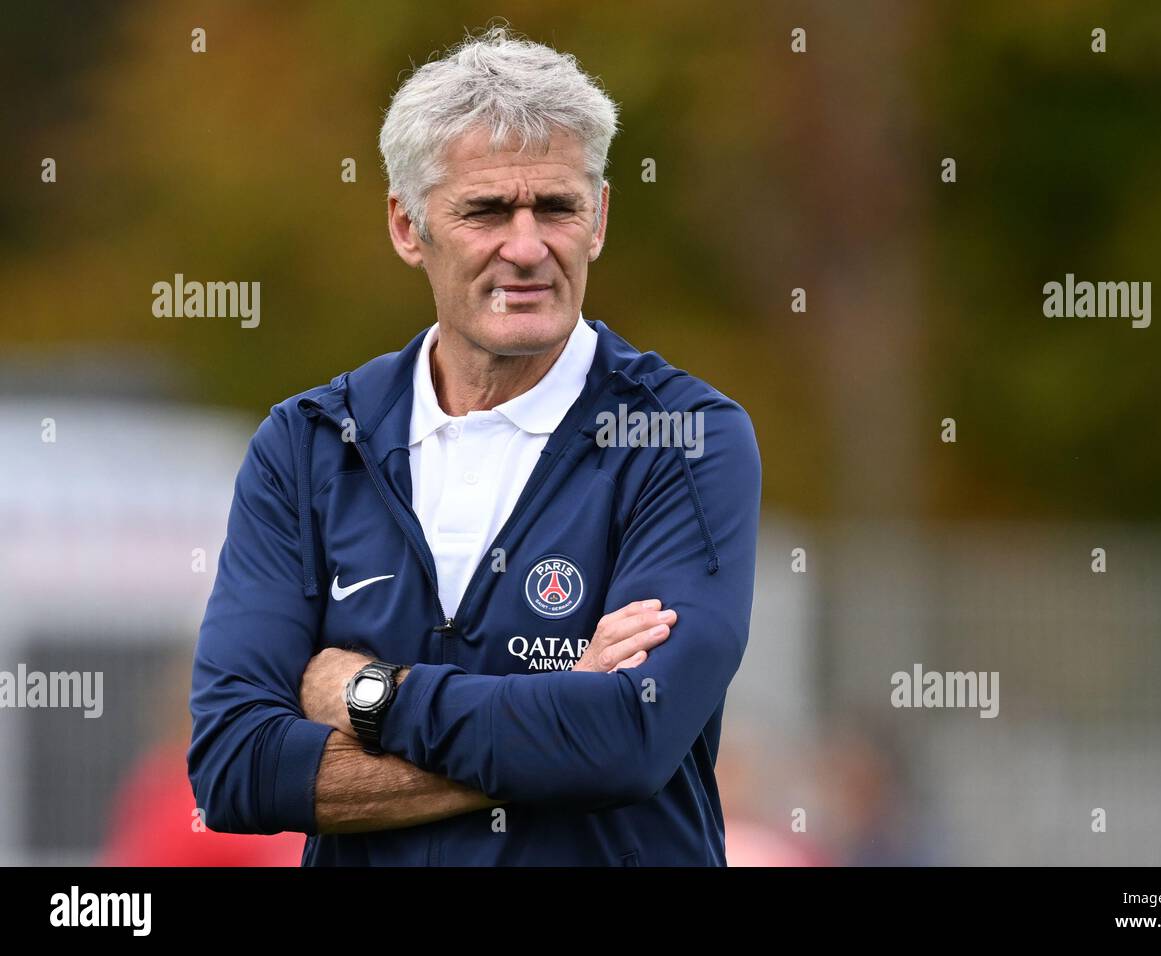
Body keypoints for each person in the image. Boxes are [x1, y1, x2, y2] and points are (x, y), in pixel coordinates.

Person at [187, 24, 762, 866]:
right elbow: (235, 768)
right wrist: (557, 726)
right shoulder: (306, 446)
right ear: (408, 226)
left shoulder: (684, 437)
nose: (526, 249)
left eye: (557, 208)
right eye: (486, 211)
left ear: (598, 217)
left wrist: (367, 695)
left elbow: (632, 736)